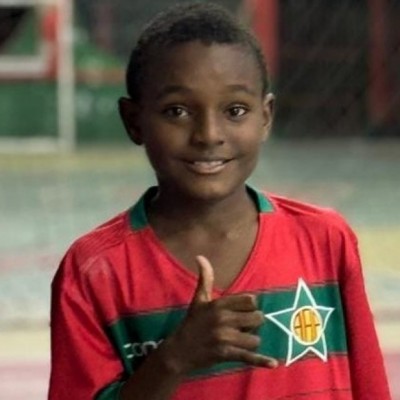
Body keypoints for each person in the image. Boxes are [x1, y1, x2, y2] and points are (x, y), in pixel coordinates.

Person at [48, 2, 392, 400]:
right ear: (133, 121)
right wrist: (174, 358)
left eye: (235, 110)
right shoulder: (93, 270)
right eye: (177, 111)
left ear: (266, 117)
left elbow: (371, 387)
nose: (209, 134)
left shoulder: (325, 240)